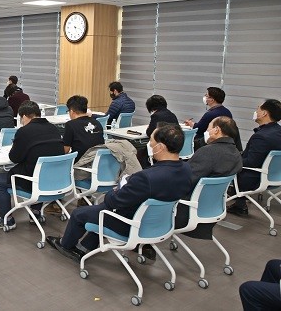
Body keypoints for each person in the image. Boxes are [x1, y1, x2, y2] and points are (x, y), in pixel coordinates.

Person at [46, 124, 192, 261]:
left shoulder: (146, 177)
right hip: (159, 223)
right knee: (99, 212)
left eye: (151, 141)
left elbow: (113, 202)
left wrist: (115, 190)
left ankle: (65, 245)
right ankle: (84, 247)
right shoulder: (186, 170)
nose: (150, 144)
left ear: (160, 147)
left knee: (79, 214)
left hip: (131, 224)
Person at [0, 100, 64, 229]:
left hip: (33, 182)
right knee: (38, 169)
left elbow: (14, 158)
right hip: (53, 180)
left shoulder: (24, 131)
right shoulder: (53, 128)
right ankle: (35, 213)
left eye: (21, 118)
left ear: (24, 116)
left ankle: (7, 219)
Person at [175, 116, 242, 233]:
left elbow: (184, 180)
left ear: (216, 130)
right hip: (213, 207)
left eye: (208, 128)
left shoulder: (208, 152)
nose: (207, 131)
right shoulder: (236, 153)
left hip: (187, 210)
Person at [228, 99, 281, 216]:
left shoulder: (261, 136)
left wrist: (232, 160)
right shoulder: (277, 131)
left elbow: (251, 162)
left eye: (258, 109)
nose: (256, 112)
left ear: (264, 113)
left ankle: (236, 204)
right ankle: (239, 202)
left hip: (254, 178)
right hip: (275, 177)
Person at [63, 95, 105, 160]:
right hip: (97, 161)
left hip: (80, 162)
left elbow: (65, 150)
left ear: (71, 111)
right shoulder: (97, 122)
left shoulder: (70, 124)